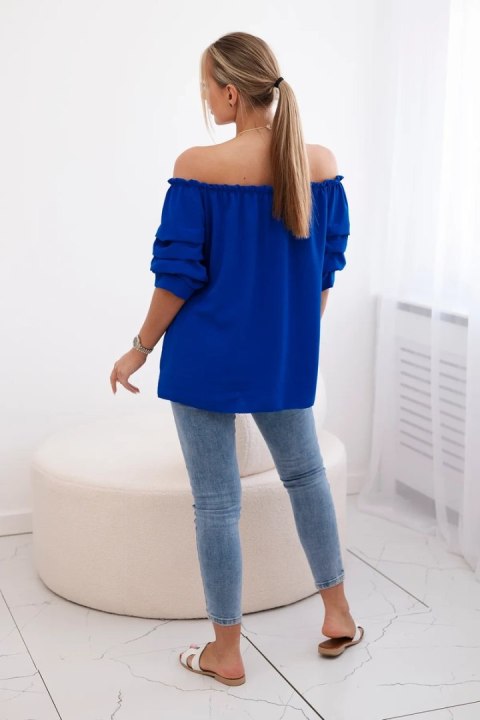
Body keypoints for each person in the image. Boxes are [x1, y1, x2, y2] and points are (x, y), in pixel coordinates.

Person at [109, 31, 364, 687]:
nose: (204, 100)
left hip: (203, 358)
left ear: (229, 92)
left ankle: (225, 652)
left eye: (206, 87)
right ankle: (338, 614)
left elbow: (176, 277)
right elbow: (326, 267)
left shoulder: (198, 165)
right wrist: (292, 337)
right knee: (306, 477)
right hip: (281, 356)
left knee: (217, 505)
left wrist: (139, 348)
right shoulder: (320, 164)